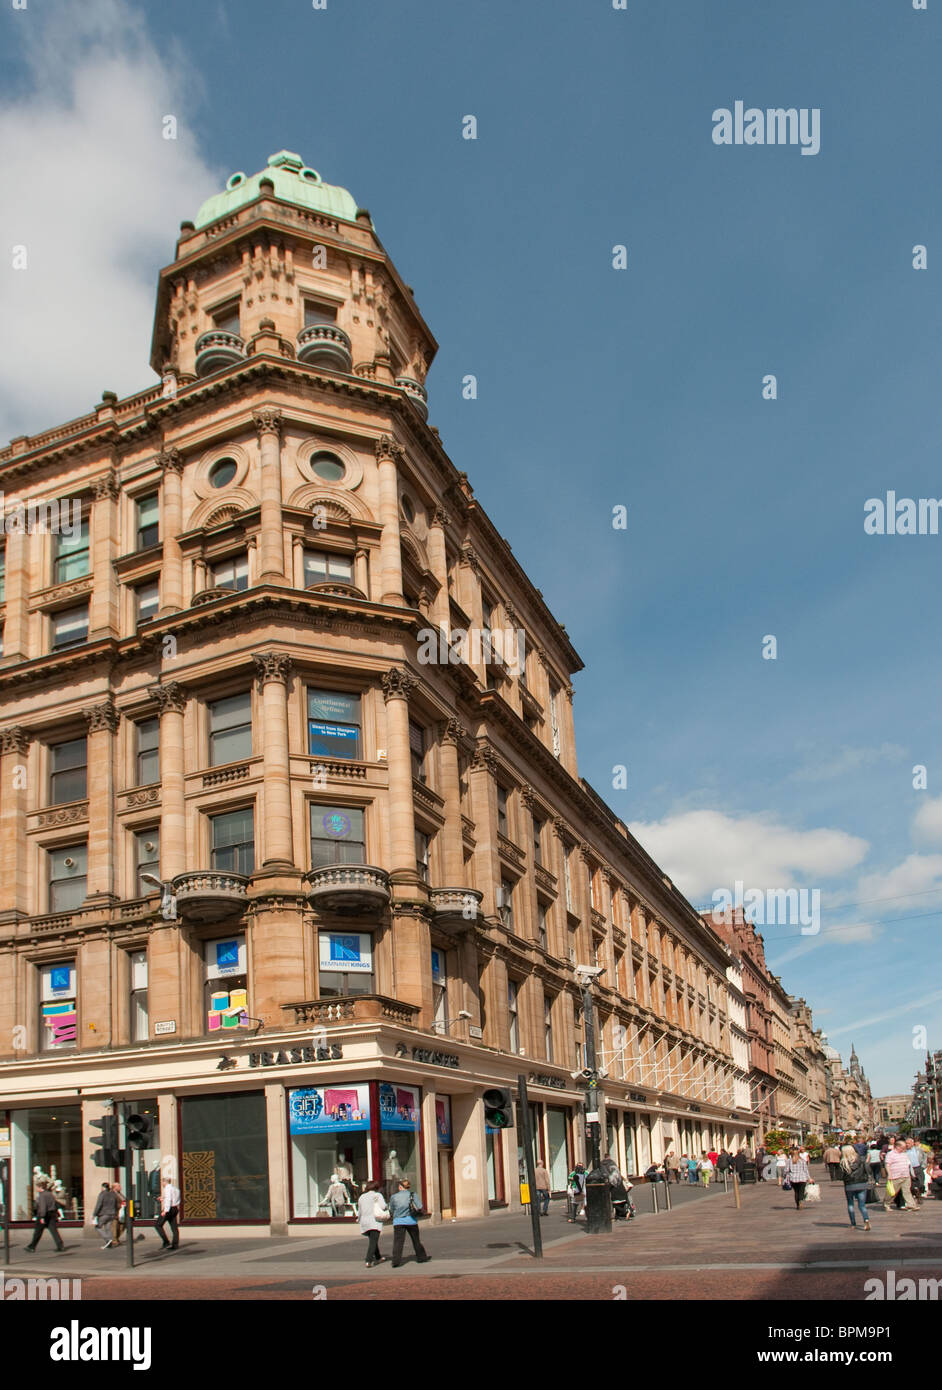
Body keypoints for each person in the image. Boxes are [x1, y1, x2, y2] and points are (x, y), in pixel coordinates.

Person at [388, 1179, 430, 1267]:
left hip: (398, 1221)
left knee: (398, 1242)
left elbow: (391, 1209)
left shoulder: (394, 1197)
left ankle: (395, 1262)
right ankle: (421, 1257)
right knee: (416, 1240)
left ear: (400, 1187)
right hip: (411, 1221)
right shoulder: (413, 1195)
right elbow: (420, 1206)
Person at [24, 1180, 65, 1253]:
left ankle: (32, 1246)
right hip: (51, 1214)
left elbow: (43, 1206)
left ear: (40, 1187)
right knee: (53, 1230)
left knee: (38, 1231)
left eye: (37, 1187)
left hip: (43, 1214)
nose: (36, 1189)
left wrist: (42, 1217)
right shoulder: (50, 1194)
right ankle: (60, 1245)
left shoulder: (42, 1195)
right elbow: (54, 1204)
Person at [839, 1140, 871, 1229]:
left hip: (849, 1185)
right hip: (862, 1184)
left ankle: (853, 1223)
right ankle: (866, 1220)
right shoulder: (861, 1159)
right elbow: (867, 1170)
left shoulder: (843, 1163)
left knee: (850, 1204)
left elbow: (840, 1176)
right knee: (862, 1205)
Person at [356, 1180, 389, 1266]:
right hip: (374, 1221)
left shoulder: (362, 1197)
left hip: (364, 1221)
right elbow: (383, 1206)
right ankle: (368, 1260)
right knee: (373, 1241)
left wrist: (358, 1219)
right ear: (376, 1187)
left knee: (372, 1240)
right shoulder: (377, 1195)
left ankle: (378, 1257)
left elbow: (359, 1210)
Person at [883, 1140, 919, 1214]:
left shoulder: (904, 1154)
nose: (904, 1149)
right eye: (902, 1147)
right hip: (896, 1176)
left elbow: (908, 1164)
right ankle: (886, 1204)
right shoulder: (890, 1154)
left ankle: (911, 1205)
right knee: (892, 1192)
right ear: (897, 1147)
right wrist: (889, 1174)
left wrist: (911, 1173)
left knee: (907, 1191)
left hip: (905, 1175)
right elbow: (887, 1165)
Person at [155, 1175, 181, 1249]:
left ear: (164, 1182)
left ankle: (166, 1241)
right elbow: (175, 1199)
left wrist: (165, 1211)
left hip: (169, 1209)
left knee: (158, 1225)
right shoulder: (175, 1188)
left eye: (162, 1182)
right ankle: (175, 1244)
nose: (162, 1184)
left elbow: (169, 1200)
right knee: (174, 1227)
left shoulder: (167, 1188)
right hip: (175, 1208)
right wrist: (163, 1198)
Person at [93, 1182, 120, 1249]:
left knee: (98, 1227)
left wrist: (94, 1214)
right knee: (108, 1228)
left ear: (103, 1187)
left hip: (104, 1214)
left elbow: (99, 1204)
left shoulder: (102, 1194)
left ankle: (108, 1239)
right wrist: (116, 1213)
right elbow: (116, 1204)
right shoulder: (113, 1194)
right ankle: (110, 1242)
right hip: (112, 1214)